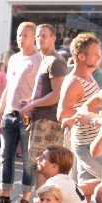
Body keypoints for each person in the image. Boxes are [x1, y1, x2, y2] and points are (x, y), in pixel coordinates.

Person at [0, 22, 42, 203]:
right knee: (6, 155)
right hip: (9, 113)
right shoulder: (13, 58)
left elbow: (43, 88)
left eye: (26, 35)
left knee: (28, 158)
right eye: (19, 35)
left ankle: (25, 197)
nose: (21, 39)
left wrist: (32, 102)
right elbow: (8, 87)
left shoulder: (39, 59)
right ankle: (5, 195)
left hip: (27, 114)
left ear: (33, 37)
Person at [21, 23, 68, 187]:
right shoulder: (45, 59)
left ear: (53, 39)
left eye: (44, 36)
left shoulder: (56, 61)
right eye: (38, 36)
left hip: (49, 121)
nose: (40, 40)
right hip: (40, 120)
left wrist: (33, 104)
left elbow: (58, 94)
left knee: (44, 167)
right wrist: (31, 104)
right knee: (38, 166)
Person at [58, 33, 102, 182]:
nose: (99, 57)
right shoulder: (74, 82)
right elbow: (62, 113)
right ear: (81, 56)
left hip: (93, 142)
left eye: (99, 54)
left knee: (85, 189)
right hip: (86, 145)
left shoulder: (89, 76)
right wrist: (93, 112)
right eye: (95, 54)